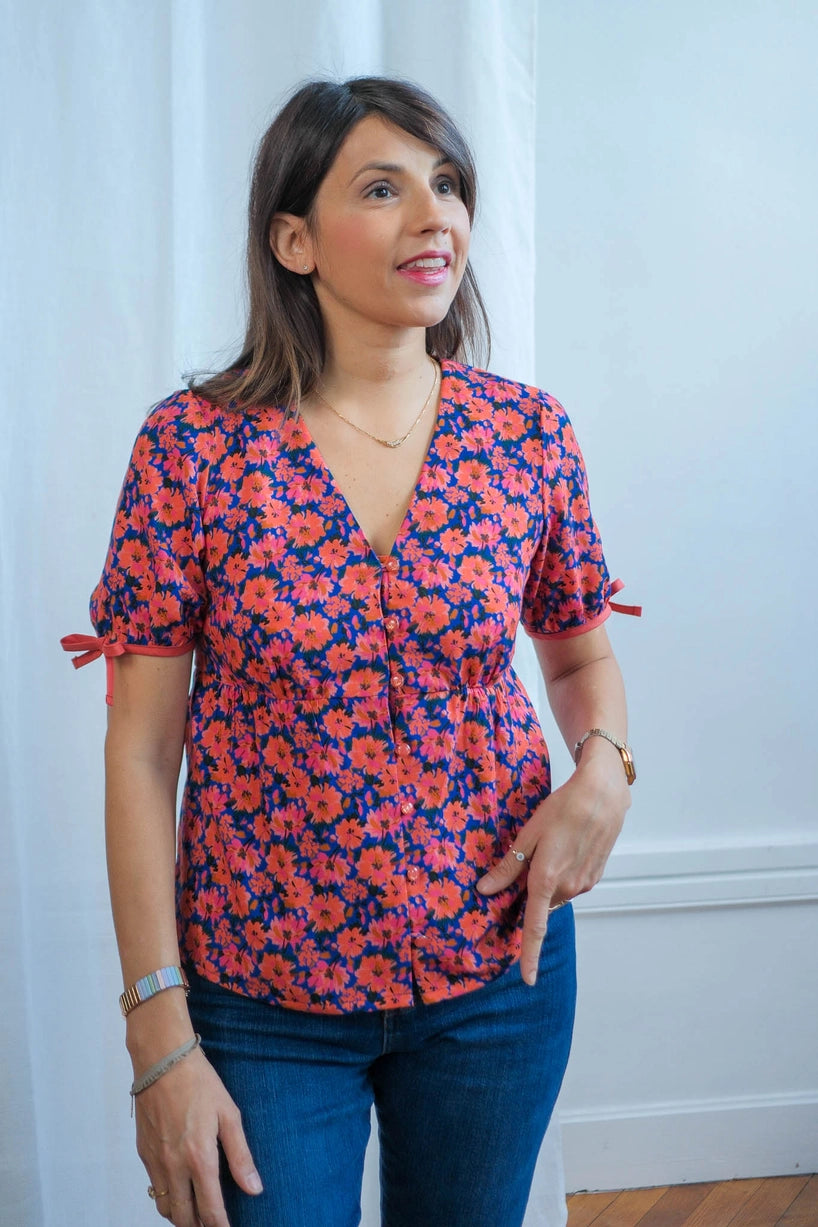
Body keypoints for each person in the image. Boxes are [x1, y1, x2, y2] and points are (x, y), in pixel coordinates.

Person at [62, 76, 640, 1227]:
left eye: (447, 185)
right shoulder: (191, 450)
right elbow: (141, 754)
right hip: (260, 999)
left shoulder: (525, 435)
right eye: (381, 189)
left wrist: (604, 770)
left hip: (497, 978)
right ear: (294, 240)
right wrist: (156, 1026)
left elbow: (578, 661)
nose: (434, 217)